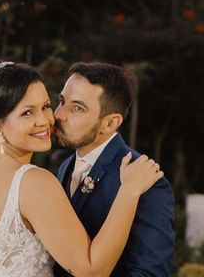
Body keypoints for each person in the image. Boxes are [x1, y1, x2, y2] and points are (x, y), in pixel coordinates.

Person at [0, 60, 163, 277]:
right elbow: (91, 270)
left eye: (46, 106)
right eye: (27, 113)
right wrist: (128, 191)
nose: (46, 120)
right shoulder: (33, 182)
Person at [54, 62, 175, 276]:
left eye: (77, 108)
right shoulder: (65, 167)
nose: (59, 114)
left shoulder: (147, 181)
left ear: (110, 123)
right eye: (61, 101)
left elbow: (149, 273)